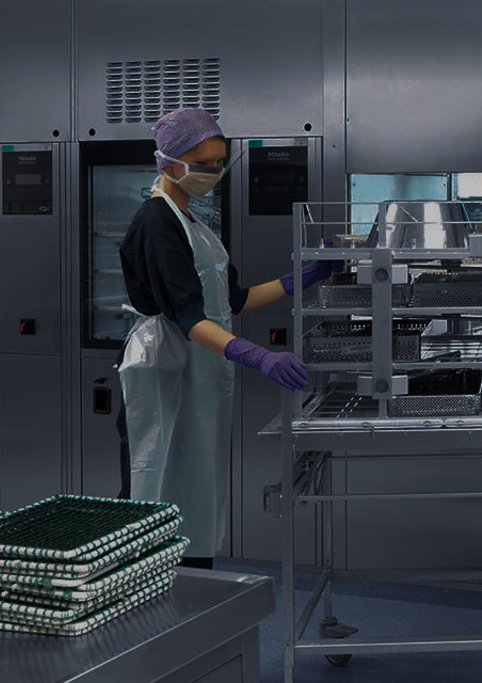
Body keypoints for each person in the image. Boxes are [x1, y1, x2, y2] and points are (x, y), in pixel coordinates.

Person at [117, 108, 336, 569]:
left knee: (194, 481)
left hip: (195, 370)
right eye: (203, 164)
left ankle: (185, 589)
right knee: (156, 489)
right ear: (169, 161)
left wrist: (302, 278)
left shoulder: (194, 222)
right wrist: (258, 356)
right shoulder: (157, 223)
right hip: (168, 369)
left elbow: (232, 300)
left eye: (219, 163)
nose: (213, 173)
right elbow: (189, 319)